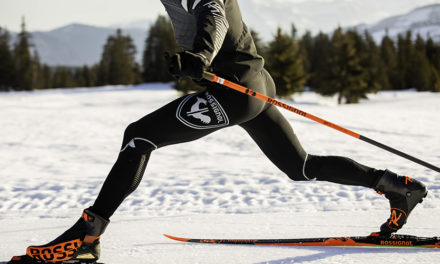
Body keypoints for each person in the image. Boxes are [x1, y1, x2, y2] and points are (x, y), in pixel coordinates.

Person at [22, 0, 427, 262]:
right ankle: (395, 186)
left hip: (235, 89)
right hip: (255, 83)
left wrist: (199, 55)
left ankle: (86, 238)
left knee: (138, 136)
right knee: (300, 166)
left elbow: (213, 15)